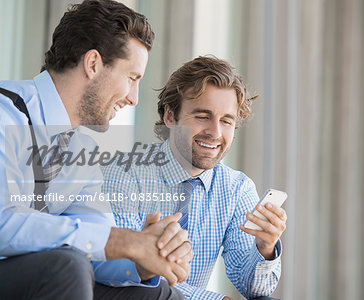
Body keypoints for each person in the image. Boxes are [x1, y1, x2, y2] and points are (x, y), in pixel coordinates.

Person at [0, 1, 191, 299]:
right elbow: (3, 222)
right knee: (67, 265)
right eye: (132, 78)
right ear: (93, 64)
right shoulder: (5, 114)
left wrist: (145, 259)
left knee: (160, 294)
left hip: (44, 277)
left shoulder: (81, 149)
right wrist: (124, 241)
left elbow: (97, 247)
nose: (134, 98)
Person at [102, 56, 287, 299]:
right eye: (202, 116)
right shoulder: (125, 174)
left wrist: (265, 249)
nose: (215, 132)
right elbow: (129, 277)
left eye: (226, 121)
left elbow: (256, 291)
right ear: (170, 116)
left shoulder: (236, 189)